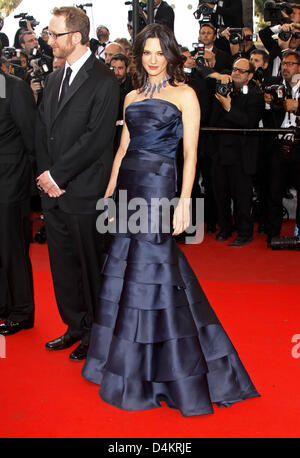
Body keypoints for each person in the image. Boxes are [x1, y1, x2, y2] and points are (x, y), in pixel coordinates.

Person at [82, 23, 259, 416]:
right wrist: (109, 194)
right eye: (146, 52)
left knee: (154, 265)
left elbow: (192, 154)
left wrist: (183, 203)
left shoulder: (186, 94)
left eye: (159, 52)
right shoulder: (129, 95)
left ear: (170, 55)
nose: (152, 59)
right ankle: (129, 360)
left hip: (161, 183)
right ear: (139, 57)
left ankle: (167, 365)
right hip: (128, 182)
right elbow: (122, 148)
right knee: (129, 268)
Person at [35, 6, 119, 361]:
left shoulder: (104, 79)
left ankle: (96, 333)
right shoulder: (54, 78)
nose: (49, 40)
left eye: (55, 34)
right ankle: (74, 325)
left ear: (76, 37)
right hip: (54, 193)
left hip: (84, 191)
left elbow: (96, 138)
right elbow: (42, 132)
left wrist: (59, 175)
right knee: (63, 266)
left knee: (89, 266)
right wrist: (46, 177)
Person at [208, 57, 265, 246]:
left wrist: (229, 106)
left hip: (241, 155)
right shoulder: (222, 90)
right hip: (220, 152)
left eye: (241, 70)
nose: (236, 73)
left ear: (249, 76)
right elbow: (213, 119)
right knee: (220, 194)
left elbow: (249, 122)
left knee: (242, 197)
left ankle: (245, 232)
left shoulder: (255, 95)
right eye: (234, 69)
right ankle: (225, 228)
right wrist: (221, 98)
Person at [0, 63, 36, 335]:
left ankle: (21, 311)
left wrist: (32, 185)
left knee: (12, 247)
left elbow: (31, 140)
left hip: (11, 182)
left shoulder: (14, 88)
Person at [263, 50, 300, 243]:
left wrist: (297, 107)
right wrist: (268, 104)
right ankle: (273, 234)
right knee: (274, 191)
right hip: (278, 145)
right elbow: (266, 118)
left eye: (291, 64)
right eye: (284, 63)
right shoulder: (275, 87)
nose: (285, 67)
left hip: (299, 144)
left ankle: (298, 234)